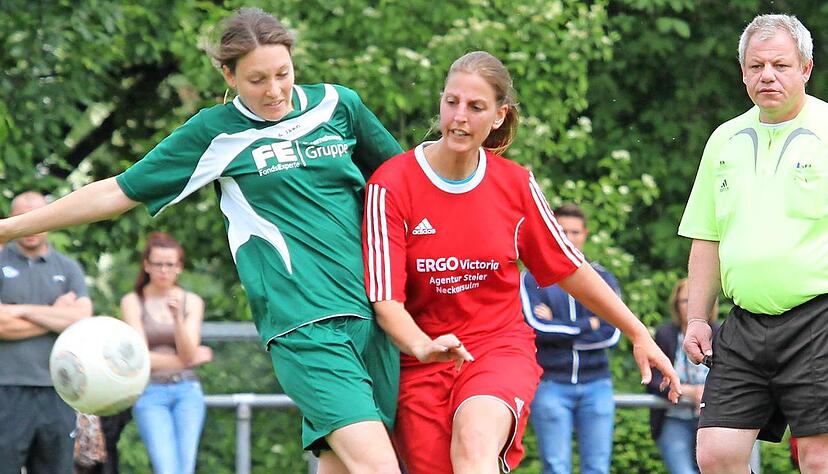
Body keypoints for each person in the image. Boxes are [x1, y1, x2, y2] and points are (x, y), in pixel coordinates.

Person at [0, 7, 404, 474]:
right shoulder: (215, 133)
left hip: (376, 316)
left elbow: (407, 188)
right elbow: (116, 190)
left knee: (345, 465)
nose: (273, 91)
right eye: (256, 79)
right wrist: (8, 228)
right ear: (229, 75)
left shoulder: (340, 105)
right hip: (304, 323)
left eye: (282, 74)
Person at [363, 50, 681, 474]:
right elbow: (386, 301)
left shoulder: (514, 184)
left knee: (474, 446)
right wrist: (424, 347)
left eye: (476, 107)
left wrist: (637, 331)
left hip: (496, 348)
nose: (459, 117)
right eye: (452, 102)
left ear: (499, 115)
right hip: (420, 360)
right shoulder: (391, 184)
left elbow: (570, 268)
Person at [679, 13, 828, 474]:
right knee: (717, 452)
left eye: (781, 65)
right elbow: (707, 236)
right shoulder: (724, 138)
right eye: (756, 65)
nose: (768, 75)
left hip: (819, 316)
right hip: (744, 324)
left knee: (820, 457)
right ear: (742, 72)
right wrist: (698, 319)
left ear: (805, 68)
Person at [520, 203, 621, 474]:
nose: (569, 237)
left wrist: (559, 326)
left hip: (597, 384)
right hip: (551, 384)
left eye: (575, 231)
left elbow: (612, 333)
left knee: (598, 468)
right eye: (562, 230)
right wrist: (589, 323)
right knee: (555, 467)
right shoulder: (533, 278)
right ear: (551, 232)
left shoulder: (603, 278)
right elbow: (536, 328)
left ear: (585, 234)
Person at [0, 191, 93, 474]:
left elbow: (81, 317)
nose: (30, 227)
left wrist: (19, 310)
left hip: (59, 390)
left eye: (36, 219)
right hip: (6, 388)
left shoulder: (68, 267)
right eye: (22, 219)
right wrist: (53, 313)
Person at [120, 232, 211, 474]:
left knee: (186, 467)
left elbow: (188, 348)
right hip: (150, 392)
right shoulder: (133, 301)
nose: (164, 270)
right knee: (166, 468)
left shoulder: (191, 301)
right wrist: (185, 360)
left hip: (187, 390)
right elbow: (140, 358)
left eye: (170, 264)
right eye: (158, 264)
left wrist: (177, 318)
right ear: (147, 265)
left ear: (179, 267)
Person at [647, 278, 718, 474]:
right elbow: (652, 380)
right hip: (674, 417)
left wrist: (707, 392)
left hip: (711, 419)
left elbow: (732, 378)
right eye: (685, 301)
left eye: (695, 301)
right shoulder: (666, 334)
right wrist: (687, 391)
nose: (690, 307)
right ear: (676, 305)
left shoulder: (720, 333)